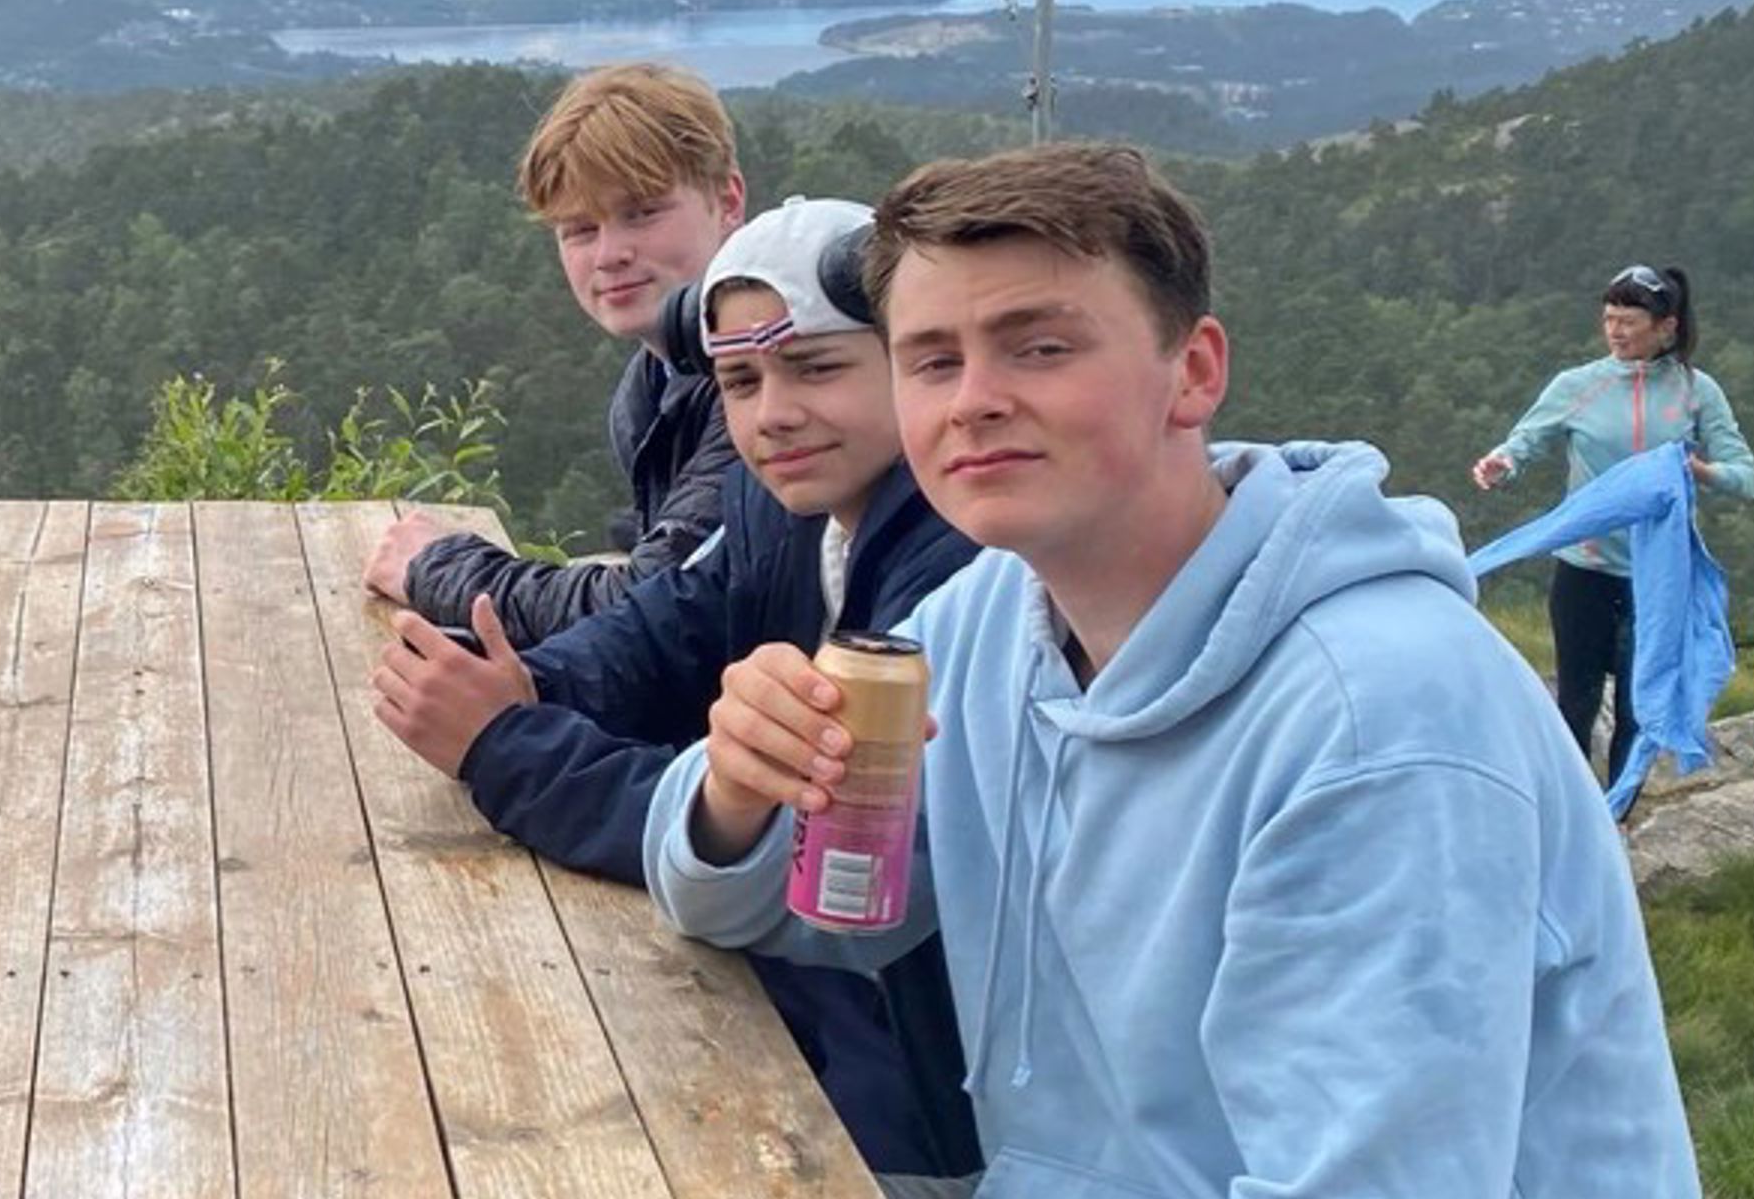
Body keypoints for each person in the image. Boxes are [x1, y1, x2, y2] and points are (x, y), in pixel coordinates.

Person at [647, 146, 1700, 1193]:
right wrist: (736, 800)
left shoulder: (1377, 724)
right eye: (930, 360)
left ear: (1193, 371)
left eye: (1040, 347)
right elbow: (833, 910)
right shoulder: (983, 623)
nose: (972, 400)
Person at [372, 197, 984, 1190]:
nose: (773, 413)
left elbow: (807, 857)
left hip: (910, 1109)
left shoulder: (961, 574)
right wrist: (520, 683)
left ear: (915, 363)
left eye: (819, 366)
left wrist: (505, 746)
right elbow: (659, 635)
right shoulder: (786, 503)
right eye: (739, 382)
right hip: (814, 1014)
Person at [364, 63, 747, 644]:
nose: (610, 253)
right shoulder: (653, 383)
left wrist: (437, 567)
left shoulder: (769, 376)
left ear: (728, 202)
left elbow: (649, 610)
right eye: (579, 229)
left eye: (641, 212)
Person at [1470, 263, 1754, 778]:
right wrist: (1501, 465)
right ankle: (1571, 813)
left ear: (1666, 326)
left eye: (1629, 321)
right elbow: (1525, 442)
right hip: (1583, 568)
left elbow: (1747, 477)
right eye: (1609, 319)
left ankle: (1618, 819)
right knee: (1575, 704)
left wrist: (1700, 470)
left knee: (1636, 706)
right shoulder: (1579, 384)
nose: (1616, 332)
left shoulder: (1697, 391)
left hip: (1657, 576)